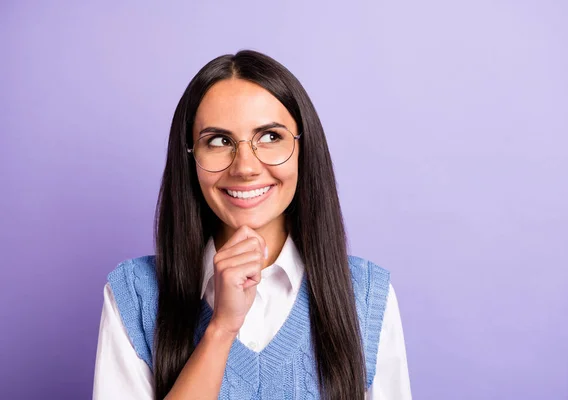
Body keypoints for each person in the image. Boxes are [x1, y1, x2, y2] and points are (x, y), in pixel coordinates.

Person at [92, 50, 412, 400]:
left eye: (271, 137)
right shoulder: (135, 294)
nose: (245, 166)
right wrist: (221, 329)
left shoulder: (364, 297)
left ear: (305, 148)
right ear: (190, 158)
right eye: (218, 141)